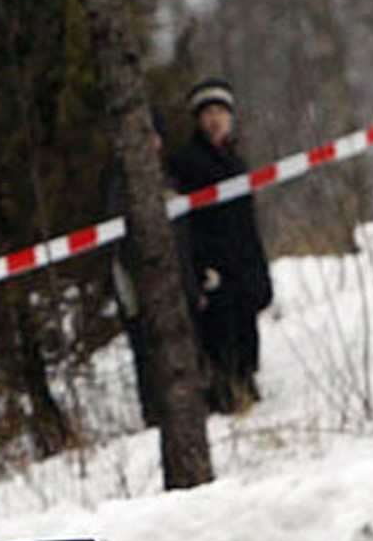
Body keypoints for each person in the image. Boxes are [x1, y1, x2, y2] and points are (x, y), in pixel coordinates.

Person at [169, 78, 274, 413]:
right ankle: (227, 396)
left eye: (220, 112)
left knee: (246, 338)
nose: (215, 120)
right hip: (214, 271)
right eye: (208, 113)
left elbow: (247, 223)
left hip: (242, 266)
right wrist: (199, 269)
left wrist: (259, 268)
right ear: (198, 120)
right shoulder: (187, 164)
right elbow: (185, 227)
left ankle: (245, 388)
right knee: (221, 341)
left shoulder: (236, 162)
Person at [101, 108, 200, 429]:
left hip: (179, 281)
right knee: (150, 356)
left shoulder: (169, 179)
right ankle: (157, 416)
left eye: (153, 136)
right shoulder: (120, 185)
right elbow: (119, 244)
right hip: (143, 289)